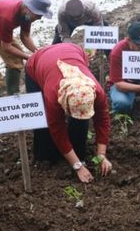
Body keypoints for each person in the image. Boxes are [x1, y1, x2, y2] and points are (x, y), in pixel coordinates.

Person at [25, 43, 113, 182]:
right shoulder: (53, 94)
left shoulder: (96, 91)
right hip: (38, 63)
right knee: (43, 122)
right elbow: (57, 128)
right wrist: (77, 166)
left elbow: (102, 121)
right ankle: (45, 156)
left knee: (81, 120)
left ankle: (77, 152)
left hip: (74, 52)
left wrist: (102, 155)